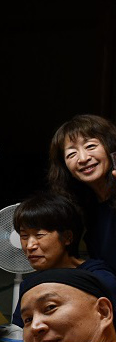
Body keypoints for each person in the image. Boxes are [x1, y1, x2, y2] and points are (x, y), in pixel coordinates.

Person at [11, 192, 116, 342]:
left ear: (67, 237)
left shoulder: (98, 278)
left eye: (39, 235)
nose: (30, 245)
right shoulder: (31, 286)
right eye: (24, 236)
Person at [48, 114, 116, 273]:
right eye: (71, 154)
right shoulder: (84, 208)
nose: (83, 158)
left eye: (91, 146)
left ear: (110, 148)